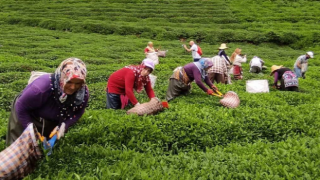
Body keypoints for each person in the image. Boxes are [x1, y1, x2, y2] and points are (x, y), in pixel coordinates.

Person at [6, 58, 89, 146]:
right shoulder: (40, 89)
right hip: (26, 109)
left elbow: (79, 111)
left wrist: (64, 125)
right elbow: (21, 107)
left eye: (78, 83)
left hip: (52, 114)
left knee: (44, 144)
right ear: (62, 77)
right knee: (20, 143)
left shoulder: (82, 94)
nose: (73, 87)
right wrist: (30, 130)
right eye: (69, 82)